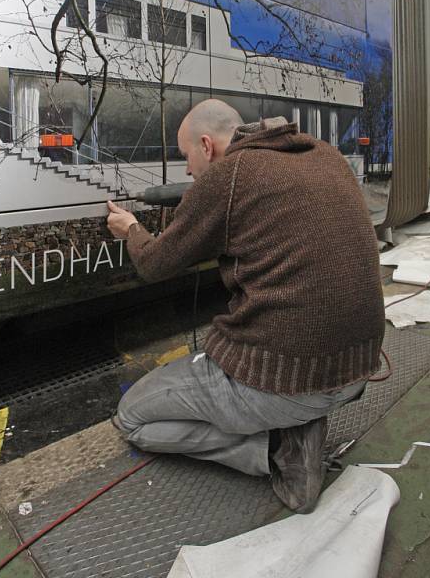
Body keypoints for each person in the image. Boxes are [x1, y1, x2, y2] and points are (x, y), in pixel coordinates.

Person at [106, 99, 385, 513]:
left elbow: (154, 262)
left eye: (186, 157)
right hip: (358, 368)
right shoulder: (324, 154)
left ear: (206, 145)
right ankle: (294, 427)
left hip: (281, 379)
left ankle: (275, 449)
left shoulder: (229, 175)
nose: (187, 172)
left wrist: (130, 228)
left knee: (132, 419)